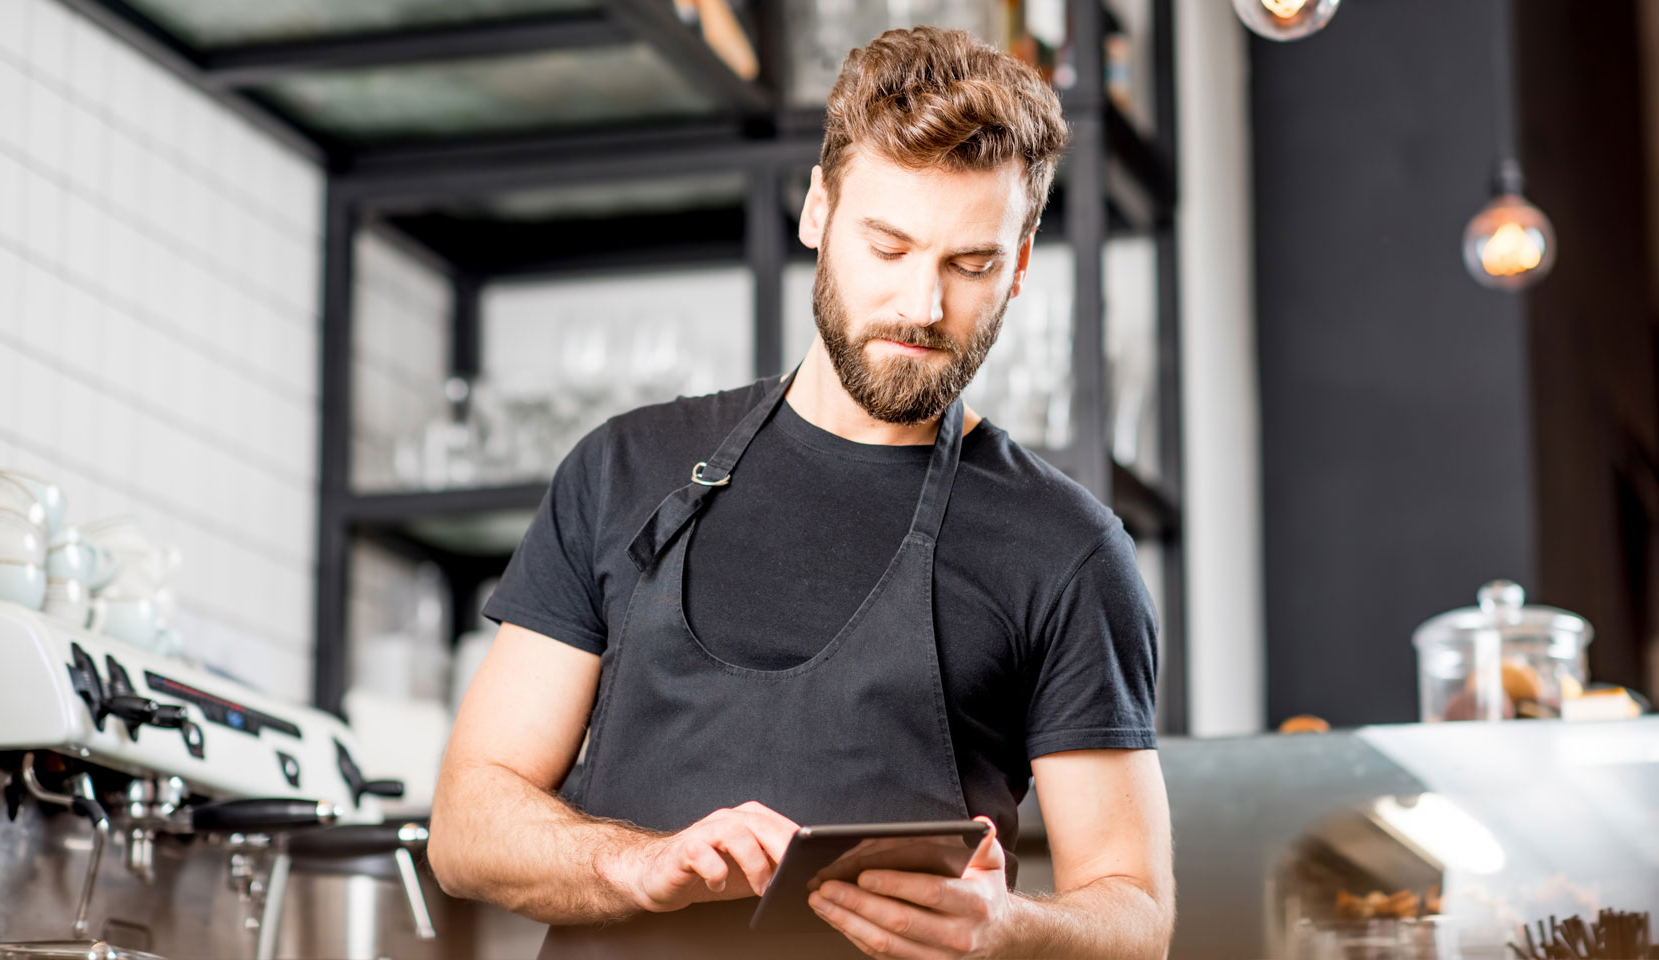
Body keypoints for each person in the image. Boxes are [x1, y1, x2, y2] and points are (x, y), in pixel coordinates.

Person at [428, 25, 1174, 959]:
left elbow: (1136, 912)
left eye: (969, 265)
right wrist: (635, 866)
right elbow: (464, 827)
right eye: (888, 247)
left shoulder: (1066, 548)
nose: (922, 305)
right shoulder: (624, 468)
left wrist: (1010, 930)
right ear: (818, 211)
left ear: (1020, 264)